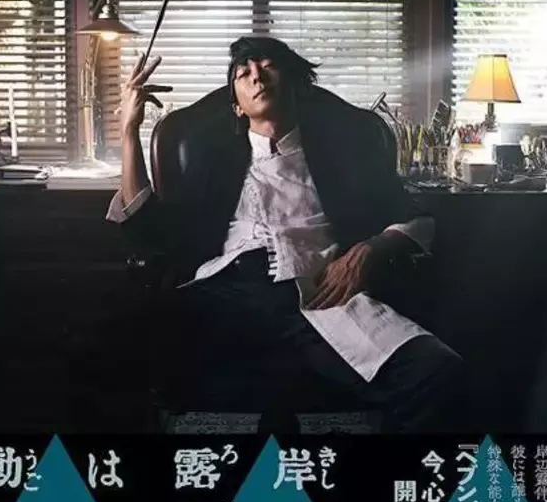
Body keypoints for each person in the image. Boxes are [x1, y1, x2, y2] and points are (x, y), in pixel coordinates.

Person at [97, 36, 467, 433]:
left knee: (436, 369)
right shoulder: (213, 163)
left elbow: (416, 218)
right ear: (237, 106)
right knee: (107, 348)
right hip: (222, 295)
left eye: (268, 65)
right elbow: (146, 229)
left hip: (322, 298)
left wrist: (371, 248)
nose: (256, 76)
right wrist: (129, 131)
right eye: (243, 73)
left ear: (295, 83)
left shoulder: (345, 155)